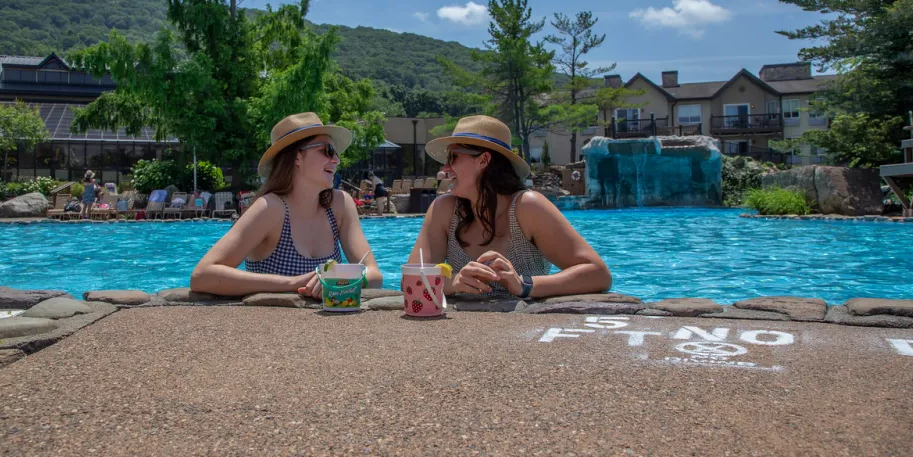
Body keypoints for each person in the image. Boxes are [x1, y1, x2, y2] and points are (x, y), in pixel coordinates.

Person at [407, 115, 611, 299]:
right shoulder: (444, 210)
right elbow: (409, 280)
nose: (444, 169)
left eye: (453, 157)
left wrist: (524, 284)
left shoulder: (528, 207)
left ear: (484, 160)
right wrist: (453, 283)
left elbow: (598, 274)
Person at [191, 112, 383, 297]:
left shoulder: (340, 205)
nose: (336, 159)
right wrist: (293, 284)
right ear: (297, 157)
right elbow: (202, 276)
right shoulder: (270, 209)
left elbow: (374, 275)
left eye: (335, 153)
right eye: (327, 150)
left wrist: (346, 278)